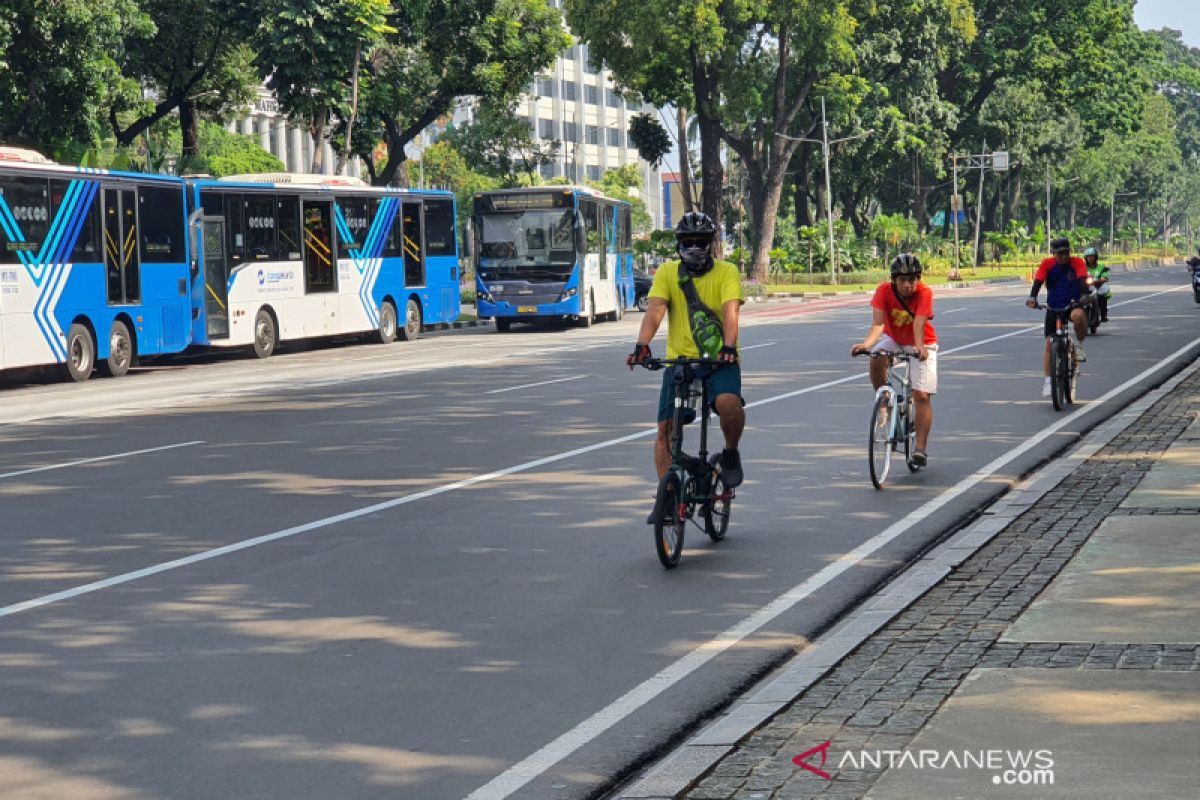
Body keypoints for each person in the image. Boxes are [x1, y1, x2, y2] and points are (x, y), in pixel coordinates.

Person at [627, 212, 745, 523]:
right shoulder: (667, 272)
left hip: (720, 361)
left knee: (728, 405)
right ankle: (667, 496)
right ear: (679, 244)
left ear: (711, 244)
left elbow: (730, 312)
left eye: (701, 242)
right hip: (681, 364)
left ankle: (730, 452)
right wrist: (642, 345)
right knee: (666, 429)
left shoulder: (726, 271)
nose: (695, 247)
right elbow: (655, 310)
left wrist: (729, 348)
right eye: (688, 242)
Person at [850, 253, 938, 466]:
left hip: (923, 342)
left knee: (921, 395)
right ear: (894, 281)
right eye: (902, 281)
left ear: (918, 279)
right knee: (876, 358)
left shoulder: (925, 293)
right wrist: (867, 345)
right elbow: (878, 324)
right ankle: (884, 402)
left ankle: (920, 449)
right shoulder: (883, 291)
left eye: (911, 280)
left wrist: (919, 348)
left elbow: (919, 323)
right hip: (895, 339)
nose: (907, 285)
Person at [1026, 237, 1091, 397]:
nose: (1063, 256)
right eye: (1060, 254)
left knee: (1078, 315)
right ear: (1054, 254)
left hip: (1072, 303)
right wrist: (1033, 298)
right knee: (1049, 344)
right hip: (1053, 306)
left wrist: (1084, 295)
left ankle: (1080, 345)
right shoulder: (1047, 264)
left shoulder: (1076, 263)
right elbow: (1038, 281)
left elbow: (1082, 280)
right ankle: (1048, 381)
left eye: (1066, 253)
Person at [1083, 246, 1111, 323]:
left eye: (1092, 257)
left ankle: (1103, 314)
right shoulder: (1082, 267)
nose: (1090, 258)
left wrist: (1102, 279)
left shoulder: (1101, 267)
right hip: (1085, 286)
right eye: (1088, 257)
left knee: (1104, 291)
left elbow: (1105, 275)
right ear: (1085, 258)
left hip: (1098, 285)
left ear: (1096, 257)